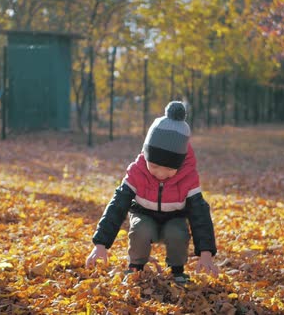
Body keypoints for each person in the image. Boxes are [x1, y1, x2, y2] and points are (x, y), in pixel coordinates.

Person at [85, 101, 218, 283]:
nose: (161, 174)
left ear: (179, 164)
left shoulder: (188, 177)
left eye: (170, 169)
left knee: (177, 233)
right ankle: (135, 266)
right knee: (141, 228)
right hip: (144, 215)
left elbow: (200, 214)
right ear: (146, 155)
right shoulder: (137, 172)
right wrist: (100, 244)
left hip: (174, 218)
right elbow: (117, 205)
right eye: (154, 166)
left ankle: (176, 270)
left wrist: (206, 252)